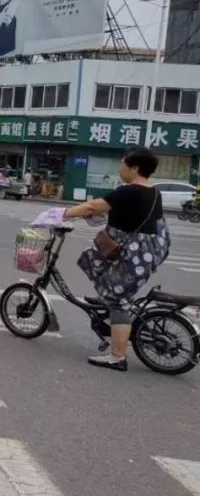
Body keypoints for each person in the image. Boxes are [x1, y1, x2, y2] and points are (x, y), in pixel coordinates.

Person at [63, 147, 170, 371]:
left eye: (123, 165)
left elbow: (94, 206)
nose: (120, 169)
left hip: (130, 255)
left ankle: (117, 356)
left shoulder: (129, 191)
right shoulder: (154, 192)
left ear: (135, 168)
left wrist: (61, 214)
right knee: (93, 262)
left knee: (118, 301)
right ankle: (109, 302)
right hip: (144, 253)